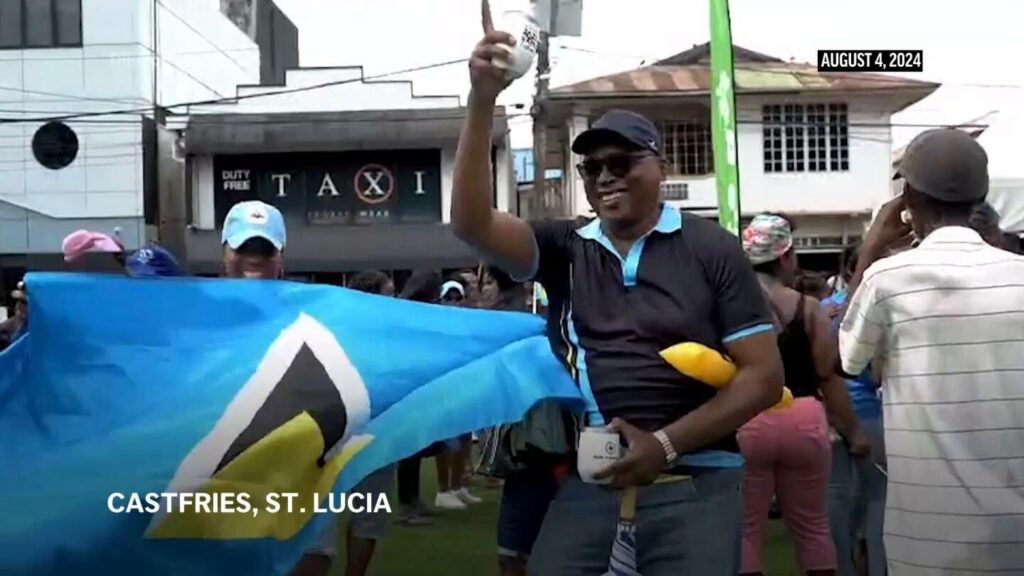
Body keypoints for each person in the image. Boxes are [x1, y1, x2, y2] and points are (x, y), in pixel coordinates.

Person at [450, 10, 785, 573]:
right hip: (596, 478)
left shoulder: (711, 248)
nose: (604, 177)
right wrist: (482, 98)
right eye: (591, 168)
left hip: (700, 479)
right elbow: (471, 223)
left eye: (621, 162)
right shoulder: (566, 248)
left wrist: (666, 445)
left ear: (659, 165)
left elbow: (763, 376)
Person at [839, 128, 1024, 574]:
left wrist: (870, 248)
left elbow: (845, 359)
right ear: (979, 195)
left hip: (925, 540)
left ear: (908, 199)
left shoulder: (887, 279)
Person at [738, 215, 865, 576]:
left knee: (747, 530)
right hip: (803, 419)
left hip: (747, 418)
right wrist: (854, 431)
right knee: (812, 526)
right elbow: (828, 376)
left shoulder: (729, 307)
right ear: (785, 257)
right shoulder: (810, 310)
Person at [310, 269, 397, 576]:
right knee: (325, 517)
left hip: (377, 431)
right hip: (341, 432)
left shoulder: (390, 336)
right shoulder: (345, 333)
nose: (393, 301)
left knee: (367, 515)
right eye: (388, 294)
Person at [823, 244, 887, 576]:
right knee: (877, 499)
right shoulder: (880, 309)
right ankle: (877, 568)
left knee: (836, 497)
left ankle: (842, 568)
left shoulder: (823, 309)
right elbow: (878, 374)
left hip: (829, 416)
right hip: (870, 414)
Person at [394, 270, 446, 525]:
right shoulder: (412, 315)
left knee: (414, 446)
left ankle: (412, 499)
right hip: (409, 386)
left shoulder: (411, 312)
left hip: (417, 384)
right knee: (409, 449)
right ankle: (407, 505)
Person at [433, 276, 484, 510]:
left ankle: (457, 486)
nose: (453, 302)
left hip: (465, 382)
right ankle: (443, 490)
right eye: (449, 298)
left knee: (463, 437)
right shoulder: (436, 324)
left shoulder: (467, 322)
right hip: (444, 386)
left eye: (457, 298)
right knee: (446, 439)